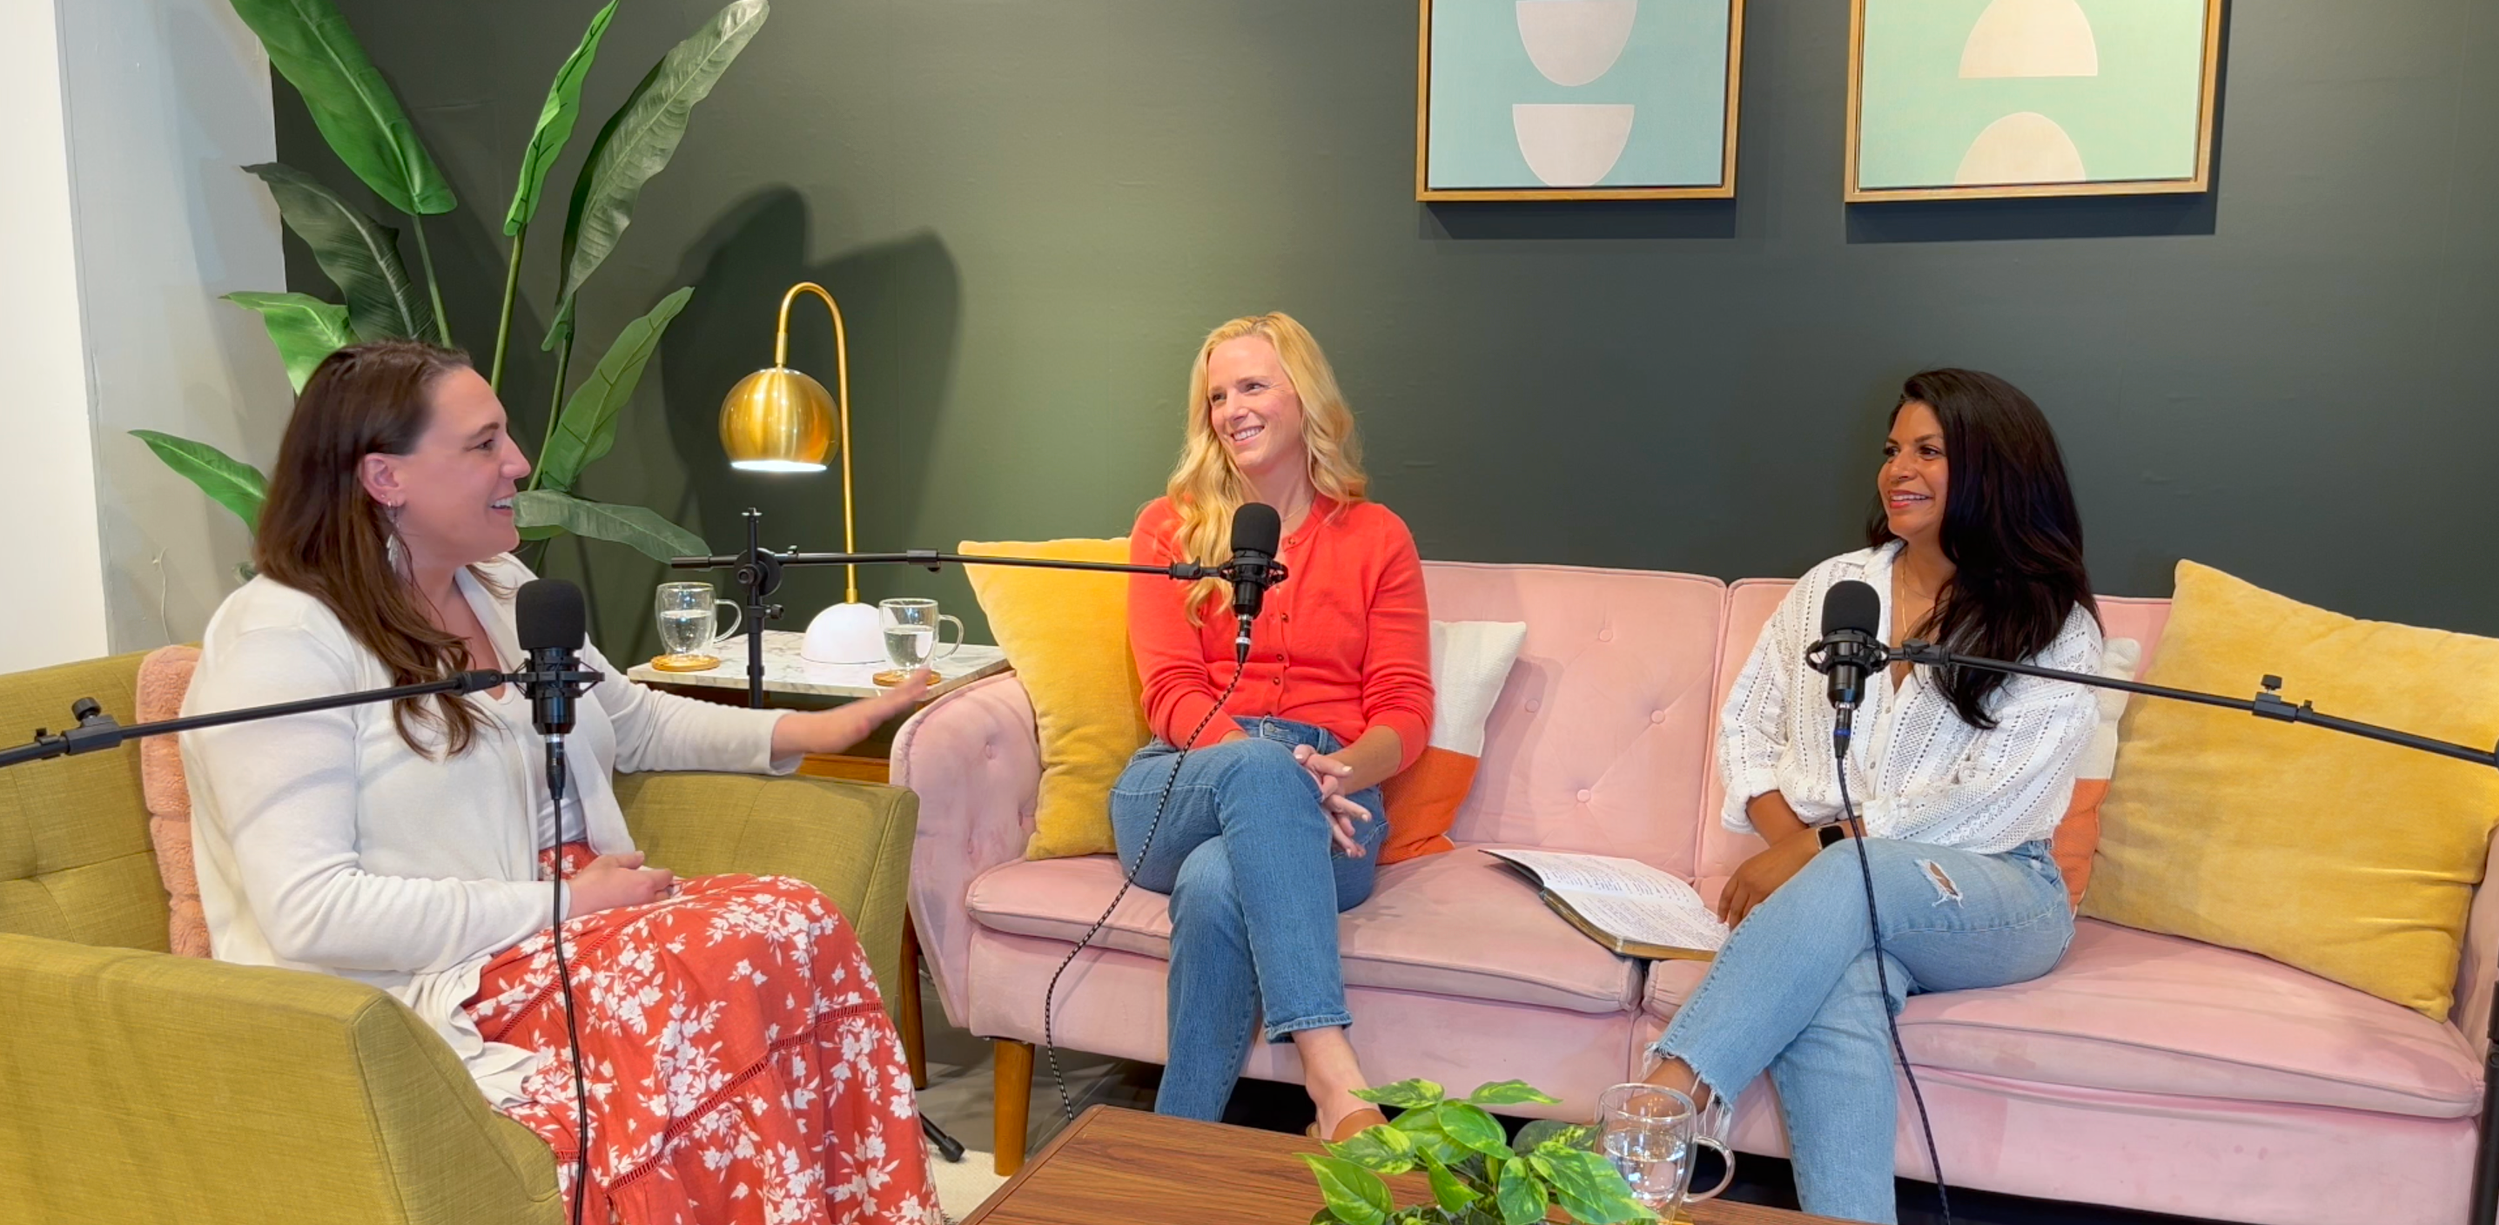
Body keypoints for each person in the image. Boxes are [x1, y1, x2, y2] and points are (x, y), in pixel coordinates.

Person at [180, 341, 940, 1225]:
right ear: (385, 477)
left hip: (572, 911)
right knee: (698, 972)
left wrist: (814, 728)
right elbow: (309, 912)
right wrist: (566, 905)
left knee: (794, 919)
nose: (519, 462)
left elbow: (635, 718)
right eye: (484, 443)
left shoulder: (499, 585)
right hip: (436, 968)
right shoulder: (282, 641)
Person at [1640, 369, 2102, 1224]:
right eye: (1892, 450)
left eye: (1929, 451)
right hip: (1841, 892)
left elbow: (1985, 803)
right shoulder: (1834, 589)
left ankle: (1665, 1097)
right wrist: (1792, 844)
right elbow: (1748, 729)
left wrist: (1812, 851)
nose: (1898, 469)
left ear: (1994, 469)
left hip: (1997, 893)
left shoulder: (2052, 622)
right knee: (1844, 981)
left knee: (1858, 878)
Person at [1115, 312, 1434, 1140]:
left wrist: (1337, 775)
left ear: (1304, 398)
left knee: (1219, 882)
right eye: (1216, 395)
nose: (1231, 409)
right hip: (1180, 779)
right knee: (1260, 770)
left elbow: (1404, 705)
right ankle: (1335, 1083)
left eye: (1251, 386)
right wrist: (1277, 772)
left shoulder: (1376, 537)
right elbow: (1171, 693)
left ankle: (1177, 1146)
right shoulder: (1169, 525)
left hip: (1336, 790)